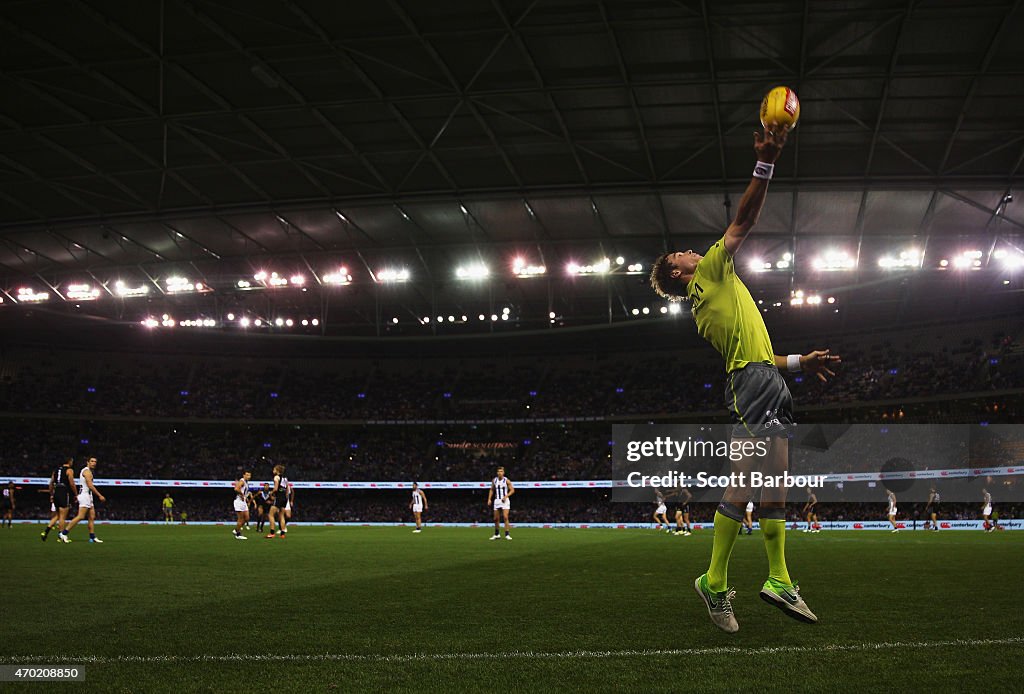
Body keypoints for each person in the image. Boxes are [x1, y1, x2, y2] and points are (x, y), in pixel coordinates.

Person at [649, 125, 840, 633]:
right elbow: (746, 219)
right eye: (682, 254)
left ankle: (778, 578)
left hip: (762, 378)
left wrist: (801, 362)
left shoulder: (712, 295)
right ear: (680, 272)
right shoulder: (710, 274)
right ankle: (713, 580)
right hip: (751, 386)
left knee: (774, 486)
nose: (692, 250)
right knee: (746, 486)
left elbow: (761, 356)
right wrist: (767, 161)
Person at [61, 457, 106, 543]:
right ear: (87, 462)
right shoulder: (87, 471)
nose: (94, 463)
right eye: (92, 461)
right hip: (85, 495)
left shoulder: (88, 471)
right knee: (81, 516)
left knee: (92, 517)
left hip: (89, 496)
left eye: (95, 461)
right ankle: (64, 533)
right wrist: (100, 495)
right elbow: (90, 485)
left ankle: (92, 537)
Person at [41, 458, 76, 542]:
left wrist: (52, 494)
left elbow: (51, 483)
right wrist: (76, 493)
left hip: (56, 491)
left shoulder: (56, 470)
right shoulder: (69, 470)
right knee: (63, 517)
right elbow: (71, 483)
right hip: (63, 492)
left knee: (57, 515)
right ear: (69, 462)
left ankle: (45, 532)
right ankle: (61, 536)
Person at [487, 466, 514, 540]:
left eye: (501, 471)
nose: (500, 473)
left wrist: (506, 496)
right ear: (497, 472)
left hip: (505, 500)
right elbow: (492, 489)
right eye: (498, 471)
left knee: (505, 517)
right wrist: (489, 499)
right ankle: (497, 534)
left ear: (503, 472)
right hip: (497, 500)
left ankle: (507, 534)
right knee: (496, 518)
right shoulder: (494, 480)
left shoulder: (506, 480)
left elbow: (512, 490)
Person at [265, 465, 288, 539]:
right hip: (284, 498)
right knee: (281, 516)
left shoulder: (276, 477)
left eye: (274, 469)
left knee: (270, 514)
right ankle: (282, 534)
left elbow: (275, 489)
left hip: (279, 498)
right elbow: (287, 490)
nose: (273, 470)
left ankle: (272, 533)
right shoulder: (285, 479)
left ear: (277, 470)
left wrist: (270, 493)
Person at [232, 470, 253, 540]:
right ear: (243, 475)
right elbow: (236, 489)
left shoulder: (246, 482)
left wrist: (245, 497)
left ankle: (236, 530)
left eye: (249, 475)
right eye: (247, 475)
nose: (248, 476)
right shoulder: (242, 481)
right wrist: (242, 495)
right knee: (240, 519)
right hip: (239, 502)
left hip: (243, 502)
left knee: (247, 518)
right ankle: (238, 535)